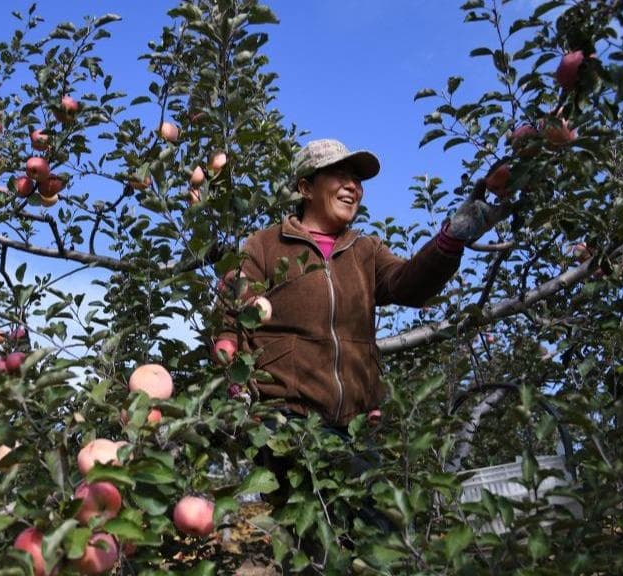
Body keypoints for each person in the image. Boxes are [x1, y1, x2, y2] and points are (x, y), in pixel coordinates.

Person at [214, 138, 508, 566]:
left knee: (337, 542)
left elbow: (410, 285)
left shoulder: (365, 251)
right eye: (341, 175)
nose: (353, 186)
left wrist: (451, 238)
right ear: (305, 186)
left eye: (358, 179)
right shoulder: (264, 246)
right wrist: (233, 377)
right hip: (286, 416)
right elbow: (232, 314)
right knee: (371, 536)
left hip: (350, 425)